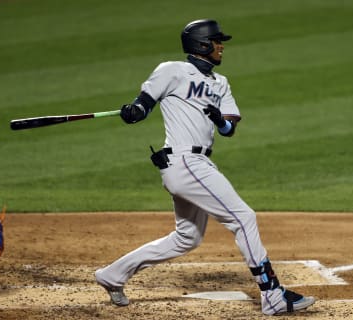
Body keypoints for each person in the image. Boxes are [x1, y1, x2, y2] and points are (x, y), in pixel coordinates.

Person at [95, 19, 315, 315]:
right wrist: (133, 111)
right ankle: (272, 295)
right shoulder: (171, 70)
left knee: (187, 237)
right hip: (184, 161)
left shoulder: (220, 83)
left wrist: (219, 120)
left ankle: (112, 275)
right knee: (243, 217)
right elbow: (143, 106)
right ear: (201, 44)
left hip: (196, 163)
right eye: (216, 41)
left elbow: (229, 129)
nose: (221, 46)